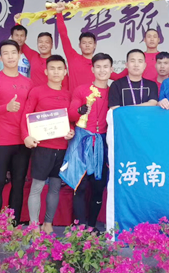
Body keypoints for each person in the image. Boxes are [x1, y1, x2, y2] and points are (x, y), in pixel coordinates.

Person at [21, 55, 75, 234]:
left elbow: (71, 120)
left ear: (65, 72)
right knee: (36, 187)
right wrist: (26, 136)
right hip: (42, 148)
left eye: (60, 69)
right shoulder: (37, 92)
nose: (56, 72)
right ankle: (34, 225)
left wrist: (71, 131)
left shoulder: (69, 95)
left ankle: (48, 223)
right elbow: (25, 116)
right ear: (46, 71)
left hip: (62, 148)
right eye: (52, 68)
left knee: (55, 188)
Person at [0, 39, 33, 226]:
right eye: (6, 53)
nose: (10, 57)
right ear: (0, 57)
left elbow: (34, 111)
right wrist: (7, 107)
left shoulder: (28, 83)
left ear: (19, 55)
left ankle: (14, 226)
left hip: (23, 141)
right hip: (1, 141)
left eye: (14, 53)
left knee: (18, 184)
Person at [68, 53, 113, 229]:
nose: (102, 70)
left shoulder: (113, 92)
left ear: (111, 69)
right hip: (81, 141)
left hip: (103, 144)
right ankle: (80, 228)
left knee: (98, 187)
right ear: (92, 69)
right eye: (98, 67)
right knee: (79, 186)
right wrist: (79, 110)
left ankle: (92, 227)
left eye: (105, 67)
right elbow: (71, 114)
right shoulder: (81, 90)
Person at [55, 3, 125, 92]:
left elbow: (118, 77)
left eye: (90, 43)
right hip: (76, 99)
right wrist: (59, 14)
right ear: (79, 45)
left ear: (95, 45)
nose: (87, 45)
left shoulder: (99, 65)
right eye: (84, 43)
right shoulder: (73, 57)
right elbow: (63, 35)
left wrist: (132, 65)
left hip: (96, 99)